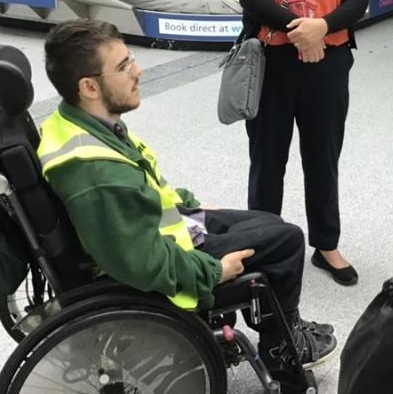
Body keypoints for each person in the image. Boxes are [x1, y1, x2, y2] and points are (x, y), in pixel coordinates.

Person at [37, 19, 337, 374]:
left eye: (130, 59)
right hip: (167, 259)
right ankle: (282, 351)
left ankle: (283, 327)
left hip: (165, 226)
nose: (138, 70)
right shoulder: (97, 175)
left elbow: (139, 185)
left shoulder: (78, 124)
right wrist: (213, 272)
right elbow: (141, 262)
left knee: (269, 223)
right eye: (123, 66)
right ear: (88, 86)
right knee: (287, 241)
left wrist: (185, 203)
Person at [236, 0, 369, 286]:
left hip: (327, 62)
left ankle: (326, 245)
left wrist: (323, 26)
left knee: (322, 155)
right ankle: (261, 244)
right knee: (267, 159)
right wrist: (301, 27)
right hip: (272, 61)